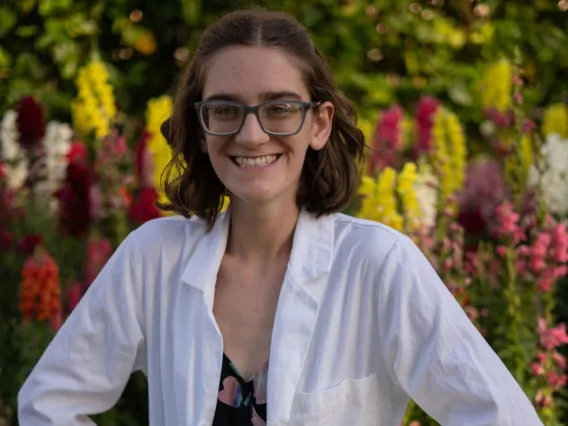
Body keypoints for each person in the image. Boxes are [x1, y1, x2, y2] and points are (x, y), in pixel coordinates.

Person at [18, 9, 543, 426]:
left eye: (279, 108)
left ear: (319, 122)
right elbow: (49, 405)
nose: (250, 135)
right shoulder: (152, 258)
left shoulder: (378, 265)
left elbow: (502, 416)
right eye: (225, 109)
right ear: (201, 129)